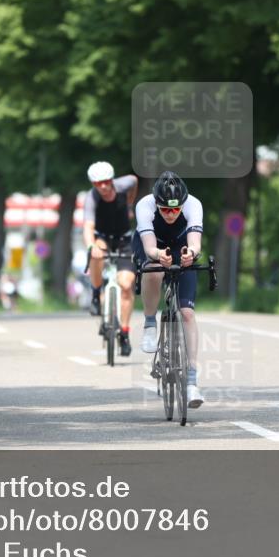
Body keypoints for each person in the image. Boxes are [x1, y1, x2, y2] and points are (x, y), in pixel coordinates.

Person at [134, 171, 205, 409]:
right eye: (165, 210)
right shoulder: (144, 206)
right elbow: (149, 247)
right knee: (153, 270)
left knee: (187, 313)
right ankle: (150, 324)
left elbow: (195, 243)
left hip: (181, 247)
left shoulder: (194, 204)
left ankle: (192, 381)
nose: (171, 214)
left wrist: (190, 254)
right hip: (154, 246)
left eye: (176, 209)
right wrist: (157, 256)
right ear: (156, 204)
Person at [83, 161, 138, 357]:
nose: (103, 187)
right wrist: (91, 246)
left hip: (124, 239)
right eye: (98, 184)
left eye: (106, 182)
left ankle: (124, 333)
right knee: (96, 253)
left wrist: (130, 203)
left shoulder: (123, 185)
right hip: (103, 237)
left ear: (112, 180)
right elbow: (88, 227)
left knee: (126, 284)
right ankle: (96, 294)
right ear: (93, 184)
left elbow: (134, 180)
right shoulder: (91, 198)